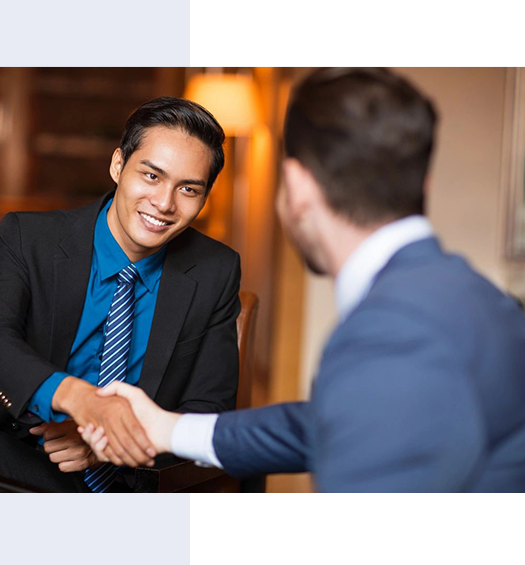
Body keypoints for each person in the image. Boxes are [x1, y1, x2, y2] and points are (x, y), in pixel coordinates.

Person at [80, 67, 525, 492]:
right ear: (421, 182)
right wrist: (168, 429)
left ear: (296, 186)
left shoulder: (391, 333)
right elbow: (332, 421)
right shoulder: (480, 299)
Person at [0, 97, 241, 493]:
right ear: (118, 165)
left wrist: (108, 443)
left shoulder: (215, 270)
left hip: (134, 477)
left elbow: (209, 411)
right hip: (22, 456)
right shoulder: (30, 238)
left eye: (188, 188)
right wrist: (80, 400)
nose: (164, 204)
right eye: (151, 176)